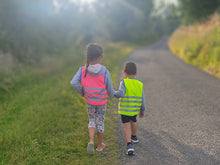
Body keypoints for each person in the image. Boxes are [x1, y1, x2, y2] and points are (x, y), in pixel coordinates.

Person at [70, 43, 114, 154]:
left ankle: (91, 141)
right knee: (100, 121)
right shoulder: (104, 71)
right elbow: (110, 89)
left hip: (89, 101)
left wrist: (82, 92)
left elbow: (73, 83)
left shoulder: (83, 70)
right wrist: (111, 95)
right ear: (101, 56)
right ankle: (99, 145)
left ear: (88, 56)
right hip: (101, 102)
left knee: (92, 120)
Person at [114, 62, 146, 156]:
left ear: (125, 73)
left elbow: (121, 93)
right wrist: (142, 110)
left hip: (125, 110)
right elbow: (143, 100)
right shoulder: (139, 84)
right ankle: (135, 137)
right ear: (135, 73)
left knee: (126, 126)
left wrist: (112, 92)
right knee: (133, 121)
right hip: (134, 110)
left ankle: (129, 145)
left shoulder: (124, 82)